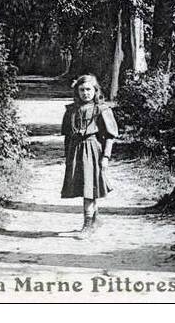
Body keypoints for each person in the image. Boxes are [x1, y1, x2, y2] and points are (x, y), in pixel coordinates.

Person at [60, 74, 118, 235]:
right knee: (83, 186)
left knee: (89, 188)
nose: (85, 93)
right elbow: (67, 136)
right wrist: (68, 157)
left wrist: (105, 157)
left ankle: (87, 225)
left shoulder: (101, 109)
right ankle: (95, 219)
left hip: (92, 150)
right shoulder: (71, 110)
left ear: (95, 90)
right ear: (77, 91)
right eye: (82, 90)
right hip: (76, 151)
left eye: (88, 89)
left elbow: (110, 136)